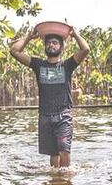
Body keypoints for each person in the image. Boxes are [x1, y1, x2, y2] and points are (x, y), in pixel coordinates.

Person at [9, 25, 90, 168]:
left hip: (63, 115)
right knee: (53, 154)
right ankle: (55, 184)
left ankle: (65, 183)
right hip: (45, 116)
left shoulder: (67, 65)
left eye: (55, 42)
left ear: (61, 47)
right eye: (48, 43)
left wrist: (75, 34)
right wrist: (28, 37)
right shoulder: (38, 65)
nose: (51, 45)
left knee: (64, 151)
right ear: (45, 47)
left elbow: (85, 49)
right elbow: (14, 51)